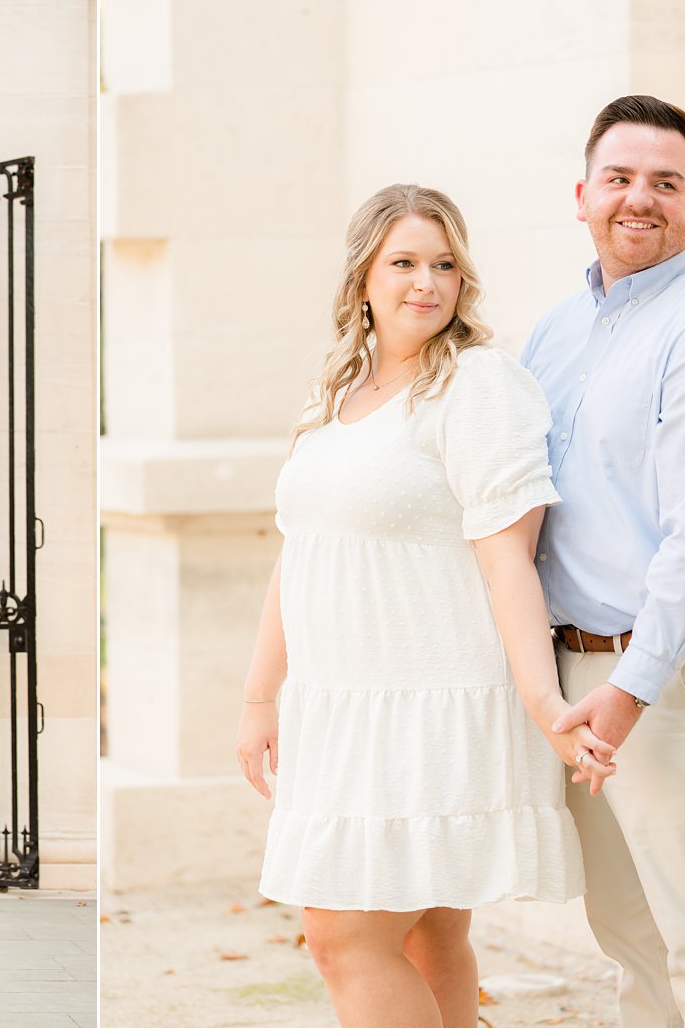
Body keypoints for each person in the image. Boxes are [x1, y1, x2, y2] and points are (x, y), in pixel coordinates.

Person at [237, 184, 615, 1028]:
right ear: (362, 277)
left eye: (444, 264)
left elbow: (508, 554)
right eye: (404, 262)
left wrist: (543, 700)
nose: (427, 282)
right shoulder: (334, 392)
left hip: (435, 703)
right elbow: (300, 550)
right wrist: (262, 696)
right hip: (342, 704)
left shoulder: (478, 383)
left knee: (340, 937)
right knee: (428, 936)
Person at [525, 94, 685, 1027]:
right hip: (578, 678)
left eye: (666, 183)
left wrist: (628, 692)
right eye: (620, 178)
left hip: (669, 682)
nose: (641, 199)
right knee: (634, 939)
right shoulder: (556, 333)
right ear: (583, 194)